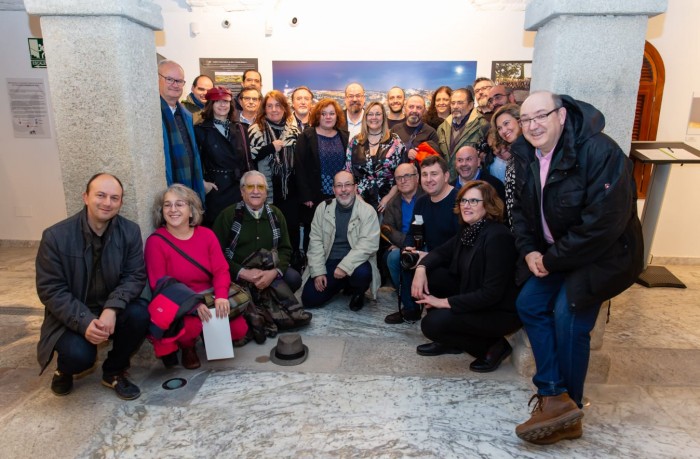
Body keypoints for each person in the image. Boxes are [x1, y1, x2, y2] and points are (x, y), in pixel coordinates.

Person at [511, 91, 643, 444]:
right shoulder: (523, 154)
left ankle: (568, 413)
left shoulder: (600, 151)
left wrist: (549, 260)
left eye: (541, 116)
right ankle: (555, 394)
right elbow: (520, 214)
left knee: (568, 314)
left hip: (604, 257)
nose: (533, 125)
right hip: (556, 254)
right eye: (526, 120)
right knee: (528, 304)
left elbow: (603, 224)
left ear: (562, 115)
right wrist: (529, 253)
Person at [36, 173, 149, 400]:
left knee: (140, 314)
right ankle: (64, 369)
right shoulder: (55, 236)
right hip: (72, 313)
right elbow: (51, 289)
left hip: (111, 306)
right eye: (101, 195)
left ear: (121, 203)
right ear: (86, 197)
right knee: (79, 356)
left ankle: (114, 371)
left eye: (114, 198)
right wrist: (84, 320)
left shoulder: (130, 231)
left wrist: (112, 309)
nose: (107, 203)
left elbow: (134, 276)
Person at [414, 181, 521, 373]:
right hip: (473, 295)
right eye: (464, 200)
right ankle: (451, 342)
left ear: (488, 205)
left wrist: (443, 302)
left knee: (431, 324)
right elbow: (440, 253)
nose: (466, 205)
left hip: (497, 310)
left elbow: (491, 294)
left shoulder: (498, 237)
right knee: (434, 273)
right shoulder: (469, 230)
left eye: (473, 201)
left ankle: (494, 347)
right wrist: (421, 268)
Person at [145, 184, 248, 370]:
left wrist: (222, 296)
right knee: (188, 330)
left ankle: (209, 337)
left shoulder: (207, 235)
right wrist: (193, 305)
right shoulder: (156, 242)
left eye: (180, 204)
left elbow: (220, 270)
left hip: (209, 294)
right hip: (180, 301)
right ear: (162, 211)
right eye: (167, 205)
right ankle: (188, 347)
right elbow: (159, 284)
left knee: (239, 330)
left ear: (191, 211)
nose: (173, 210)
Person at [213, 171, 311, 338]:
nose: (255, 191)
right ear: (242, 192)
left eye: (260, 187)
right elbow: (216, 255)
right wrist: (243, 272)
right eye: (250, 186)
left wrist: (273, 273)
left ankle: (264, 303)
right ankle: (260, 308)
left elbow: (286, 249)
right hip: (238, 275)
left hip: (268, 271)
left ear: (266, 192)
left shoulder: (276, 214)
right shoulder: (228, 216)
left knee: (294, 278)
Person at [384, 156, 460, 324]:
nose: (429, 179)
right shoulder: (422, 202)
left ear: (446, 176)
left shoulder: (459, 201)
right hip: (430, 256)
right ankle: (411, 309)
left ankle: (438, 313)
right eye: (425, 174)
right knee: (402, 259)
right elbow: (413, 232)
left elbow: (460, 241)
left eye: (434, 174)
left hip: (454, 260)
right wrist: (409, 248)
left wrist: (429, 258)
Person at [301, 170, 380, 311]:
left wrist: (344, 267)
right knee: (309, 300)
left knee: (363, 273)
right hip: (329, 262)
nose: (343, 190)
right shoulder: (323, 208)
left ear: (355, 187)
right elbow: (315, 242)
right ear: (333, 189)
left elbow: (368, 245)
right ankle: (339, 284)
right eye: (339, 185)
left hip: (355, 263)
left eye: (348, 185)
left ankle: (357, 291)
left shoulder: (367, 211)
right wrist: (318, 271)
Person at [248, 90, 302, 255]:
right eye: (269, 106)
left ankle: (291, 264)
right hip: (268, 191)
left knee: (291, 229)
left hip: (291, 191)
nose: (274, 110)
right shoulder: (256, 129)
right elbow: (251, 155)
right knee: (270, 231)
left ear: (285, 108)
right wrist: (272, 147)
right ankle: (269, 265)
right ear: (264, 109)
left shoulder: (294, 130)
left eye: (278, 105)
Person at [295, 98, 349, 252]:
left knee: (338, 233)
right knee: (313, 235)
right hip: (314, 197)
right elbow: (299, 167)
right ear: (317, 116)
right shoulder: (307, 136)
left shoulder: (343, 136)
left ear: (337, 116)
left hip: (339, 195)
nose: (328, 117)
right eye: (324, 113)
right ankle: (310, 269)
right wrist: (306, 196)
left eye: (332, 113)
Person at [195, 86, 250, 227]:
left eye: (225, 101)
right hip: (216, 189)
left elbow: (248, 161)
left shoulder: (241, 129)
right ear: (210, 105)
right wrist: (202, 183)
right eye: (217, 101)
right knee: (217, 230)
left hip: (238, 188)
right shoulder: (200, 130)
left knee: (238, 230)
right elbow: (194, 160)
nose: (222, 105)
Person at [158, 59, 207, 204]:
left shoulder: (186, 115)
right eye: (169, 79)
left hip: (189, 188)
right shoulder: (151, 115)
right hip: (165, 192)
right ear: (156, 79)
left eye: (179, 81)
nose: (175, 84)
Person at [346, 101, 406, 212]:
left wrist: (388, 199)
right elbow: (348, 172)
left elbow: (402, 174)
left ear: (383, 117)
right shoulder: (355, 142)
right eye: (370, 114)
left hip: (388, 203)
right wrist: (358, 198)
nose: (374, 117)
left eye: (378, 114)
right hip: (359, 203)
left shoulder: (395, 142)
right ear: (365, 117)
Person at [382, 163, 423, 289]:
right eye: (399, 178)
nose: (403, 181)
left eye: (407, 176)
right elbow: (387, 228)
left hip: (425, 243)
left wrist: (410, 244)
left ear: (417, 177)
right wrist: (405, 244)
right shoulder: (392, 203)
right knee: (393, 257)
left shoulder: (427, 197)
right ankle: (404, 293)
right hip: (403, 245)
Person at [437, 88, 490, 178]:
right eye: (453, 103)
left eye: (460, 103)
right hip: (448, 183)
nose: (455, 106)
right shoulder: (442, 128)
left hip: (473, 182)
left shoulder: (482, 126)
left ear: (470, 105)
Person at [488, 104, 522, 229]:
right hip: (517, 226)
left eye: (506, 123)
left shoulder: (531, 153)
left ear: (519, 120)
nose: (503, 130)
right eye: (499, 128)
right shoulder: (513, 156)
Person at [391, 95, 440, 163]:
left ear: (424, 111)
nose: (414, 110)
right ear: (405, 109)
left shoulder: (431, 133)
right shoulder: (395, 130)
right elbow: (388, 154)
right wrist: (406, 153)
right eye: (411, 107)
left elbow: (436, 160)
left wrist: (419, 155)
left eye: (419, 108)